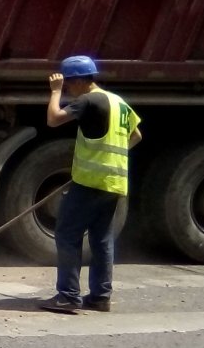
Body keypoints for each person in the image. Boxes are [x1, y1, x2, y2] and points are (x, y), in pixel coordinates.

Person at [41, 55, 141, 314]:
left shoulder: (87, 100)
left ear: (78, 81)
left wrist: (54, 92)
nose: (68, 89)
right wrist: (110, 157)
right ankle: (100, 297)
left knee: (66, 233)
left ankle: (67, 296)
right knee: (102, 239)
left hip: (91, 182)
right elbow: (137, 135)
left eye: (69, 84)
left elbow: (53, 119)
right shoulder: (118, 102)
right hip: (114, 181)